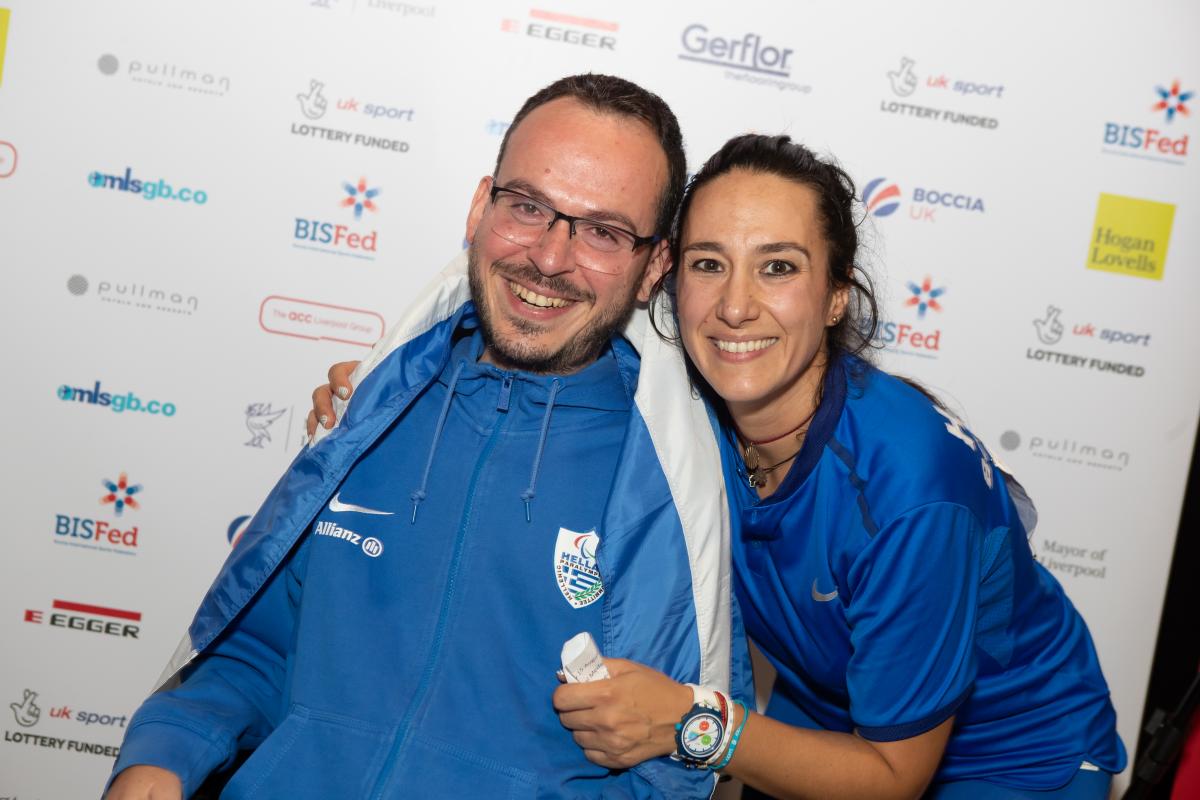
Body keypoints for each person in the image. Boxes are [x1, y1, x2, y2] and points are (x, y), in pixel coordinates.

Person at [312, 135, 1128, 799]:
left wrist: (689, 722)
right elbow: (532, 375)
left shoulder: (906, 490)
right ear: (667, 277)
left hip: (1008, 761)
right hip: (825, 710)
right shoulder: (689, 395)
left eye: (778, 266)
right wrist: (387, 395)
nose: (736, 305)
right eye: (709, 263)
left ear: (838, 292)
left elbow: (892, 779)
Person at [104, 74, 749, 800]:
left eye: (602, 231)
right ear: (481, 207)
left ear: (652, 268)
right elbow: (253, 652)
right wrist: (163, 756)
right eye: (528, 206)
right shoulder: (371, 408)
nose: (547, 257)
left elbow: (664, 778)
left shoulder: (669, 486)